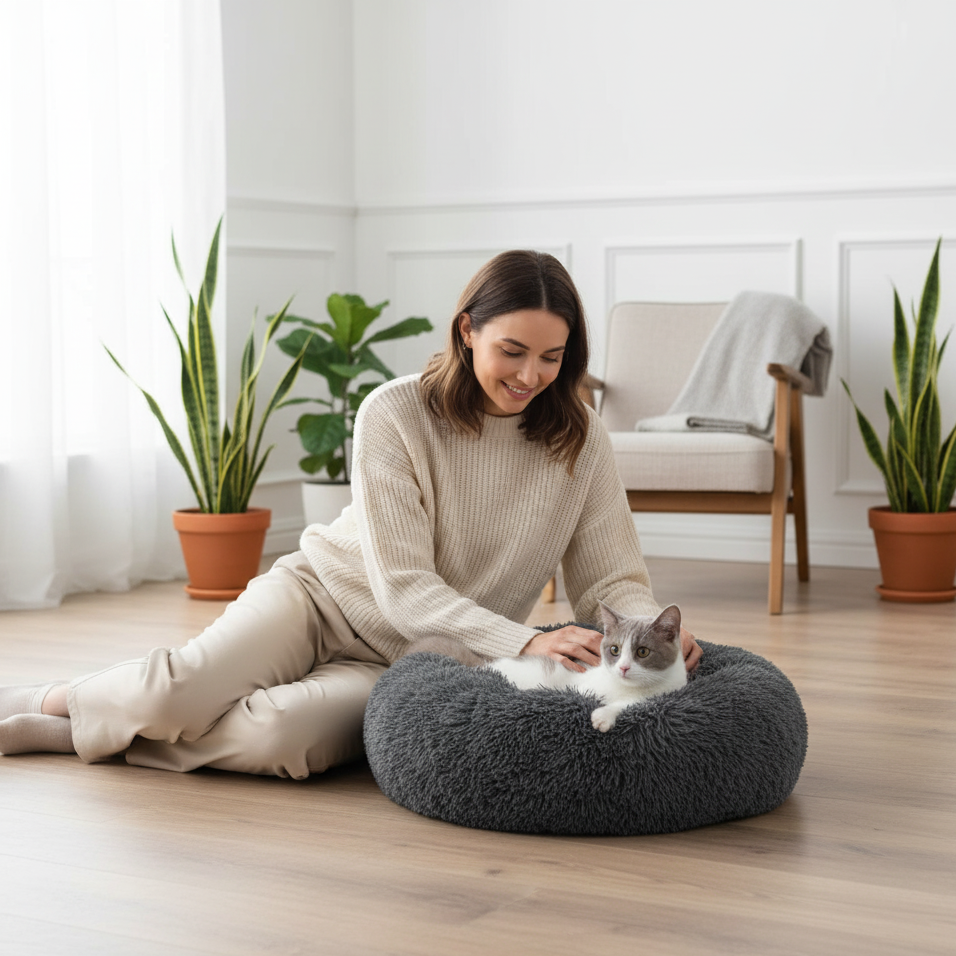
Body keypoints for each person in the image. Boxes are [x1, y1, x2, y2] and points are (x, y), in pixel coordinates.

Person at [0, 250, 702, 778]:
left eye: (552, 357)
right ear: (467, 331)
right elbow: (404, 587)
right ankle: (59, 698)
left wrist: (650, 625)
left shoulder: (581, 437)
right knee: (178, 694)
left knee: (283, 740)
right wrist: (520, 641)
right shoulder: (394, 412)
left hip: (419, 655)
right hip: (319, 599)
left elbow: (611, 577)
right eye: (511, 352)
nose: (530, 376)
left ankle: (75, 733)